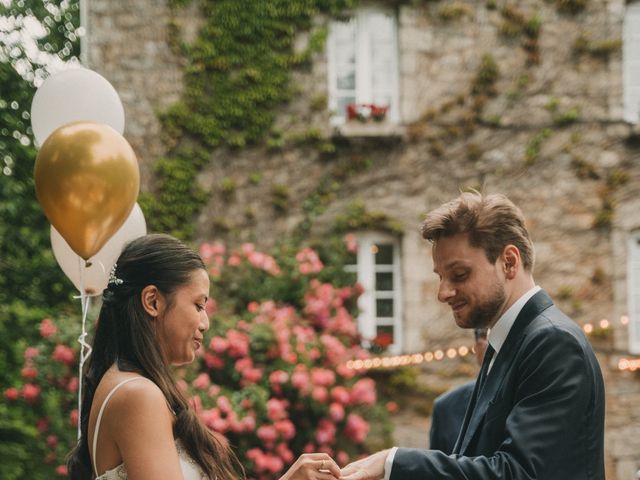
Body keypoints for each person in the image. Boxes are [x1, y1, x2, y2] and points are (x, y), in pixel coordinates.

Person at [340, 191, 605, 480]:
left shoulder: (553, 342)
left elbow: (520, 474)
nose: (443, 293)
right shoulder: (504, 344)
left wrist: (395, 462)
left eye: (459, 274)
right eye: (441, 276)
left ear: (509, 262)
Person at [67, 234, 340, 480]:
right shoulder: (138, 395)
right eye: (198, 305)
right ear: (152, 302)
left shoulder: (124, 385)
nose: (205, 322)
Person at [428, 328, 488, 454]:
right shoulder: (446, 407)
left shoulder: (530, 398)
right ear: (477, 348)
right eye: (485, 334)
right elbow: (437, 468)